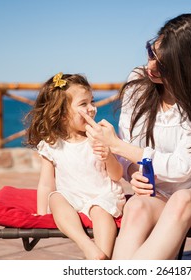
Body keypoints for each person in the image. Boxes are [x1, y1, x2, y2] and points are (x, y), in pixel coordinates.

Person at [80, 13, 191, 259]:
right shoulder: (138, 83)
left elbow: (181, 168)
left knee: (181, 201)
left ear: (189, 69)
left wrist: (116, 145)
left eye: (163, 64)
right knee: (136, 207)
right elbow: (130, 151)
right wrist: (133, 173)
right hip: (158, 189)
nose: (151, 66)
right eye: (151, 52)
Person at [24, 72, 126, 260]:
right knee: (55, 199)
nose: (92, 109)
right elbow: (46, 183)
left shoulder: (100, 136)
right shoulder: (51, 143)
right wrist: (40, 214)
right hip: (72, 196)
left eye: (92, 102)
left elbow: (117, 175)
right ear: (62, 114)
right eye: (83, 104)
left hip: (102, 194)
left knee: (101, 213)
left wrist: (108, 155)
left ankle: (101, 258)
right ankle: (87, 245)